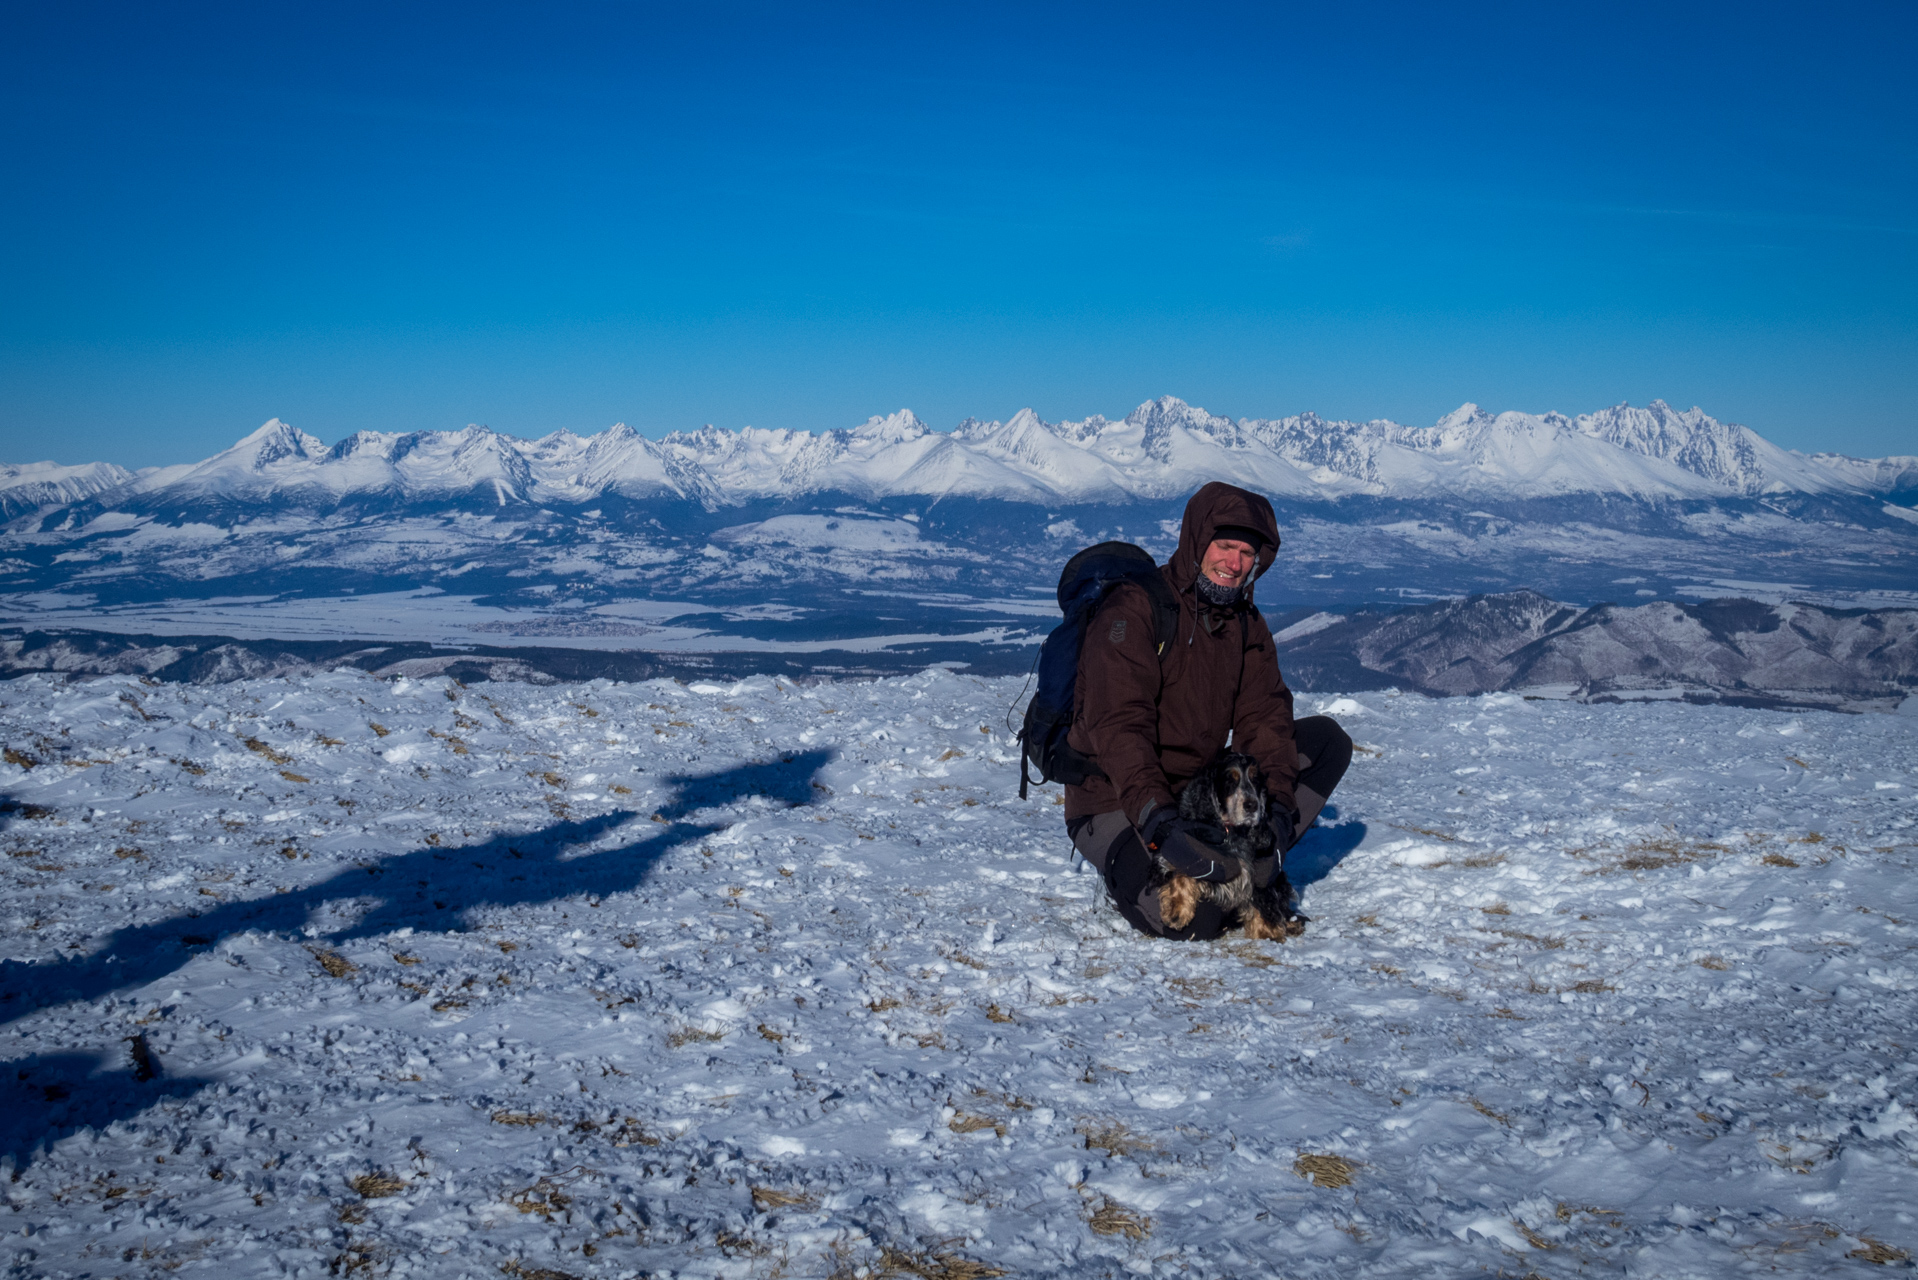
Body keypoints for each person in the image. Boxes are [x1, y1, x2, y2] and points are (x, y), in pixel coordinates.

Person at [1063, 481, 1352, 940]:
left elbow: (1266, 721)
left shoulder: (1244, 624)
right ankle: (1125, 875)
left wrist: (1275, 816)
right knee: (1197, 920)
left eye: (1246, 553)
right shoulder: (1133, 612)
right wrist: (1160, 824)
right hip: (1117, 800)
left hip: (1200, 802)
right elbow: (1121, 731)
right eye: (1224, 546)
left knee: (1326, 743)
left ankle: (1250, 861)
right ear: (1197, 541)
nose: (1234, 564)